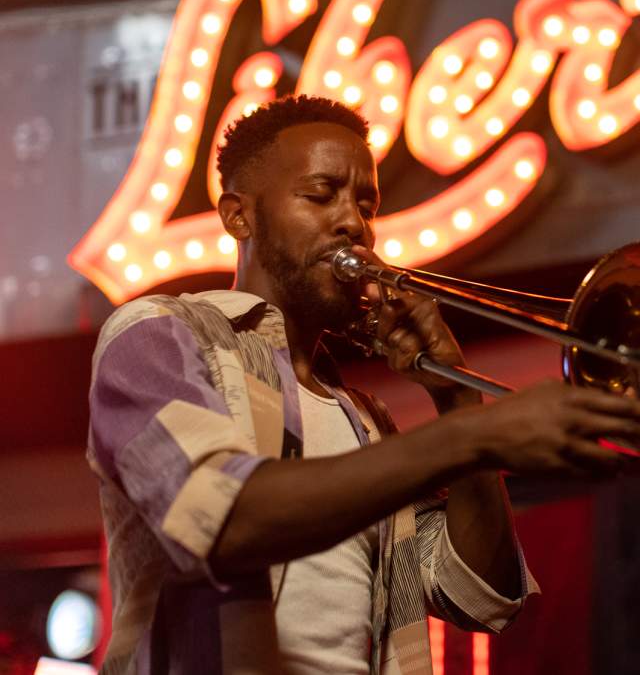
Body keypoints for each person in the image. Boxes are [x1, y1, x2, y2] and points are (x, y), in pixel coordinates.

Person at [89, 94, 640, 674]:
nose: (354, 223)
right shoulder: (161, 334)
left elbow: (481, 595)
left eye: (365, 204)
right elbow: (223, 519)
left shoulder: (367, 421)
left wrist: (457, 400)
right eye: (320, 195)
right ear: (238, 216)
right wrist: (474, 436)